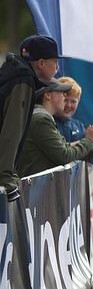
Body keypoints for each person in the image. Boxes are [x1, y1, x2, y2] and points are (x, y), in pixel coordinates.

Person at [17, 78, 93, 177]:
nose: (64, 97)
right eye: (61, 93)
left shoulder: (45, 118)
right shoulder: (42, 119)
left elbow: (64, 147)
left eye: (73, 101)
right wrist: (89, 140)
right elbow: (64, 155)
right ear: (48, 95)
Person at [0, 35, 62, 201]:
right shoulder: (22, 80)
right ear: (41, 63)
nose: (57, 68)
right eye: (55, 62)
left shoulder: (15, 73)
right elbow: (11, 130)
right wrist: (6, 177)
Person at [54, 77, 86, 142]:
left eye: (73, 101)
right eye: (65, 100)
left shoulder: (79, 126)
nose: (68, 105)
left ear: (78, 101)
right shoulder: (48, 123)